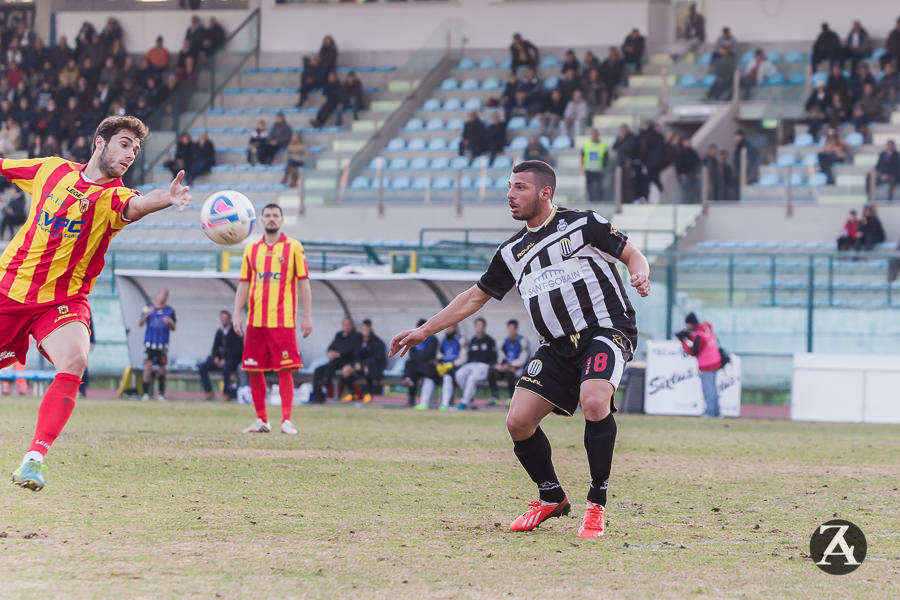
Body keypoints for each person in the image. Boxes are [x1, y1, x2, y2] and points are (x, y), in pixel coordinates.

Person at [389, 160, 651, 538]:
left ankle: (596, 503)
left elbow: (631, 254)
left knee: (594, 401)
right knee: (518, 422)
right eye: (510, 187)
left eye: (520, 188)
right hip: (556, 346)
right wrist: (424, 331)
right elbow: (474, 297)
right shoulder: (511, 251)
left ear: (545, 192)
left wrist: (638, 272)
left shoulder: (582, 223)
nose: (511, 195)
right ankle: (551, 497)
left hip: (605, 330)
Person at [1, 115, 190, 491]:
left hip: (63, 300)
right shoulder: (51, 171)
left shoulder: (113, 197)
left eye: (135, 150)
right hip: (8, 290)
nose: (130, 154)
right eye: (124, 144)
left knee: (76, 359)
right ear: (99, 143)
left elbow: (137, 204)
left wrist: (166, 199)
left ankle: (34, 459)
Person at [234, 203, 313, 435]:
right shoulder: (251, 250)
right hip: (255, 321)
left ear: (281, 220)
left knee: (285, 370)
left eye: (275, 215)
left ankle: (286, 420)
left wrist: (307, 316)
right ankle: (261, 420)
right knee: (253, 370)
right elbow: (244, 284)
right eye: (267, 215)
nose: (271, 219)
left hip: (283, 321)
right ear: (260, 220)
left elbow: (303, 283)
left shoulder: (294, 248)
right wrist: (237, 313)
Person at [676, 313, 722, 418]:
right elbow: (698, 339)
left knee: (708, 389)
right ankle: (717, 412)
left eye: (687, 324)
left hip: (707, 364)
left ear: (691, 324)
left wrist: (683, 340)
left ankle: (710, 412)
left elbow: (693, 351)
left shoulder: (699, 336)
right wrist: (688, 336)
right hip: (715, 361)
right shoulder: (706, 328)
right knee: (713, 388)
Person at [139, 288, 176, 401]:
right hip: (150, 344)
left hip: (162, 345)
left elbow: (174, 327)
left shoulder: (170, 311)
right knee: (148, 367)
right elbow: (140, 323)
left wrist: (170, 322)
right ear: (158, 294)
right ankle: (145, 393)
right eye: (162, 294)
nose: (163, 297)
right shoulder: (148, 308)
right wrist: (147, 314)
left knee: (161, 369)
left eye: (166, 295)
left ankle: (161, 393)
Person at [311, 317, 359, 404]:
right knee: (318, 370)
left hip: (347, 361)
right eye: (345, 325)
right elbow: (332, 346)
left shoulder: (355, 336)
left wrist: (338, 354)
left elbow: (350, 349)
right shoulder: (339, 335)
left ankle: (326, 383)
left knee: (333, 363)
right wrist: (330, 352)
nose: (346, 327)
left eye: (348, 325)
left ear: (352, 326)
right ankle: (318, 395)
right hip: (335, 362)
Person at [197, 310, 243, 401]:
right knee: (202, 367)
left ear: (229, 319)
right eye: (222, 318)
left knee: (226, 368)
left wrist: (225, 359)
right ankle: (208, 391)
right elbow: (215, 347)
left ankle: (226, 393)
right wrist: (216, 357)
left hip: (232, 360)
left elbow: (238, 349)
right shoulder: (219, 331)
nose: (224, 320)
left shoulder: (236, 331)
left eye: (225, 318)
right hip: (220, 359)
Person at [452, 317, 497, 411]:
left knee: (471, 379)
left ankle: (463, 403)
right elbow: (469, 356)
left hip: (484, 366)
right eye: (477, 326)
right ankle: (470, 395)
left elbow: (494, 356)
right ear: (475, 327)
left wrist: (492, 366)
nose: (479, 328)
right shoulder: (473, 340)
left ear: (484, 327)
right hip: (472, 364)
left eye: (481, 326)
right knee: (459, 374)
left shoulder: (490, 340)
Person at [339, 318, 386, 404]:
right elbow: (355, 353)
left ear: (370, 329)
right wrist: (357, 363)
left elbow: (377, 358)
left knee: (367, 368)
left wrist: (363, 364)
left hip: (373, 366)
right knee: (346, 369)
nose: (363, 331)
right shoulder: (358, 340)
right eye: (362, 329)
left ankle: (368, 394)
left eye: (365, 329)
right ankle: (351, 393)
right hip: (360, 365)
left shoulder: (377, 342)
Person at [488, 319, 531, 405]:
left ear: (516, 329)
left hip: (519, 369)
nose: (510, 331)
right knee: (491, 372)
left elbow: (523, 359)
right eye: (509, 329)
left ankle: (511, 399)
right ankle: (495, 397)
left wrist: (510, 365)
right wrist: (500, 365)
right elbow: (502, 355)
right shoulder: (505, 341)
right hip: (507, 367)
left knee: (510, 374)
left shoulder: (522, 341)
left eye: (512, 329)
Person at [403, 318, 438, 408]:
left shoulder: (432, 339)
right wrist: (421, 356)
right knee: (410, 364)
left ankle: (408, 378)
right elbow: (411, 354)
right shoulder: (414, 339)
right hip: (417, 366)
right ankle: (411, 398)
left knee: (413, 367)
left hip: (427, 367)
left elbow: (430, 355)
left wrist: (419, 357)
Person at [431, 324, 466, 411]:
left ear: (455, 328)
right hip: (444, 367)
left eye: (450, 327)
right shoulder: (443, 340)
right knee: (429, 374)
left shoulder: (460, 340)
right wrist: (440, 362)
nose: (448, 329)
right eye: (447, 327)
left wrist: (453, 364)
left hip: (456, 367)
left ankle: (445, 403)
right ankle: (426, 402)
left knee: (447, 376)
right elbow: (440, 353)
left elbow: (463, 357)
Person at [581, 128, 609, 203]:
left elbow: (606, 158)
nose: (595, 136)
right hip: (588, 169)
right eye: (593, 135)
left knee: (599, 187)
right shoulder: (586, 145)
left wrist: (604, 167)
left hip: (599, 170)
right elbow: (582, 156)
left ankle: (599, 200)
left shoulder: (603, 146)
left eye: (596, 135)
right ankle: (591, 200)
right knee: (589, 187)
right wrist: (582, 167)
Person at [675, 138, 702, 203]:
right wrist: (681, 174)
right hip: (685, 176)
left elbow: (698, 162)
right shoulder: (680, 153)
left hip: (694, 176)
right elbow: (678, 165)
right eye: (685, 142)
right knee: (686, 194)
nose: (687, 143)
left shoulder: (693, 152)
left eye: (688, 142)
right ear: (683, 143)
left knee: (697, 192)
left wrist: (698, 173)